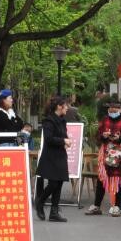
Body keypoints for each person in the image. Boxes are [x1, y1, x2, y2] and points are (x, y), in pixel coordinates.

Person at [85, 99, 121, 216]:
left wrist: (120, 138)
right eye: (110, 109)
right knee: (102, 179)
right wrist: (103, 136)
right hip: (107, 153)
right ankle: (96, 206)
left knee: (119, 180)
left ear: (119, 109)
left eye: (115, 109)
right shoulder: (105, 119)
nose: (112, 111)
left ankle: (116, 207)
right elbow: (98, 136)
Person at [33, 95, 72, 223]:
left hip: (60, 154)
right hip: (51, 156)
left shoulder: (62, 120)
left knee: (59, 183)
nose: (67, 108)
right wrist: (63, 141)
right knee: (53, 183)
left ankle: (54, 212)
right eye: (65, 105)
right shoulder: (48, 121)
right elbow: (49, 139)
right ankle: (40, 202)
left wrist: (66, 141)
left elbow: (62, 135)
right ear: (59, 106)